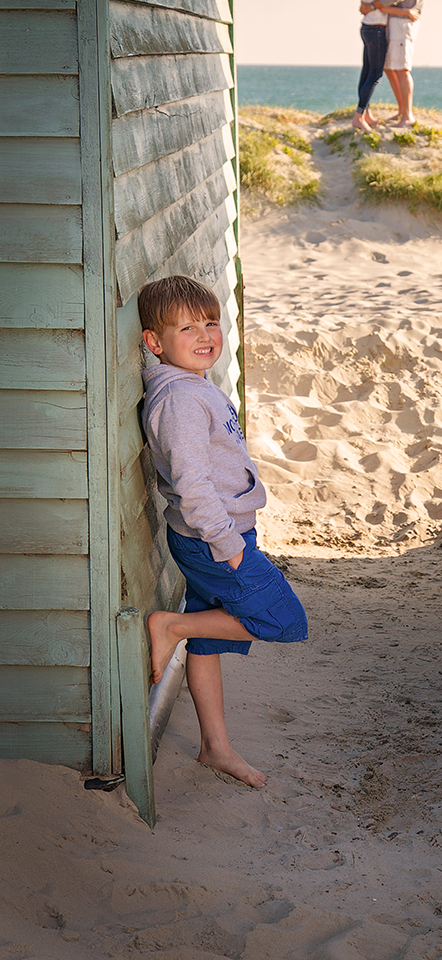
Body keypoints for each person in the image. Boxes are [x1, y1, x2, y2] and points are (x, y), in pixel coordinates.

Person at [139, 274, 308, 789]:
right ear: (154, 342)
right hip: (216, 541)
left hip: (212, 536)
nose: (204, 334)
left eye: (210, 322)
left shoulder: (190, 386)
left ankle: (215, 747)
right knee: (281, 619)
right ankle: (171, 628)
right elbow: (192, 483)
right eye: (186, 327)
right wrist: (229, 546)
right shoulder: (182, 402)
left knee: (209, 639)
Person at [361, 0, 425, 128]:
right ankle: (401, 111)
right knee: (389, 67)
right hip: (393, 18)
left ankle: (408, 116)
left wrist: (373, 6)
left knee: (402, 68)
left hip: (403, 20)